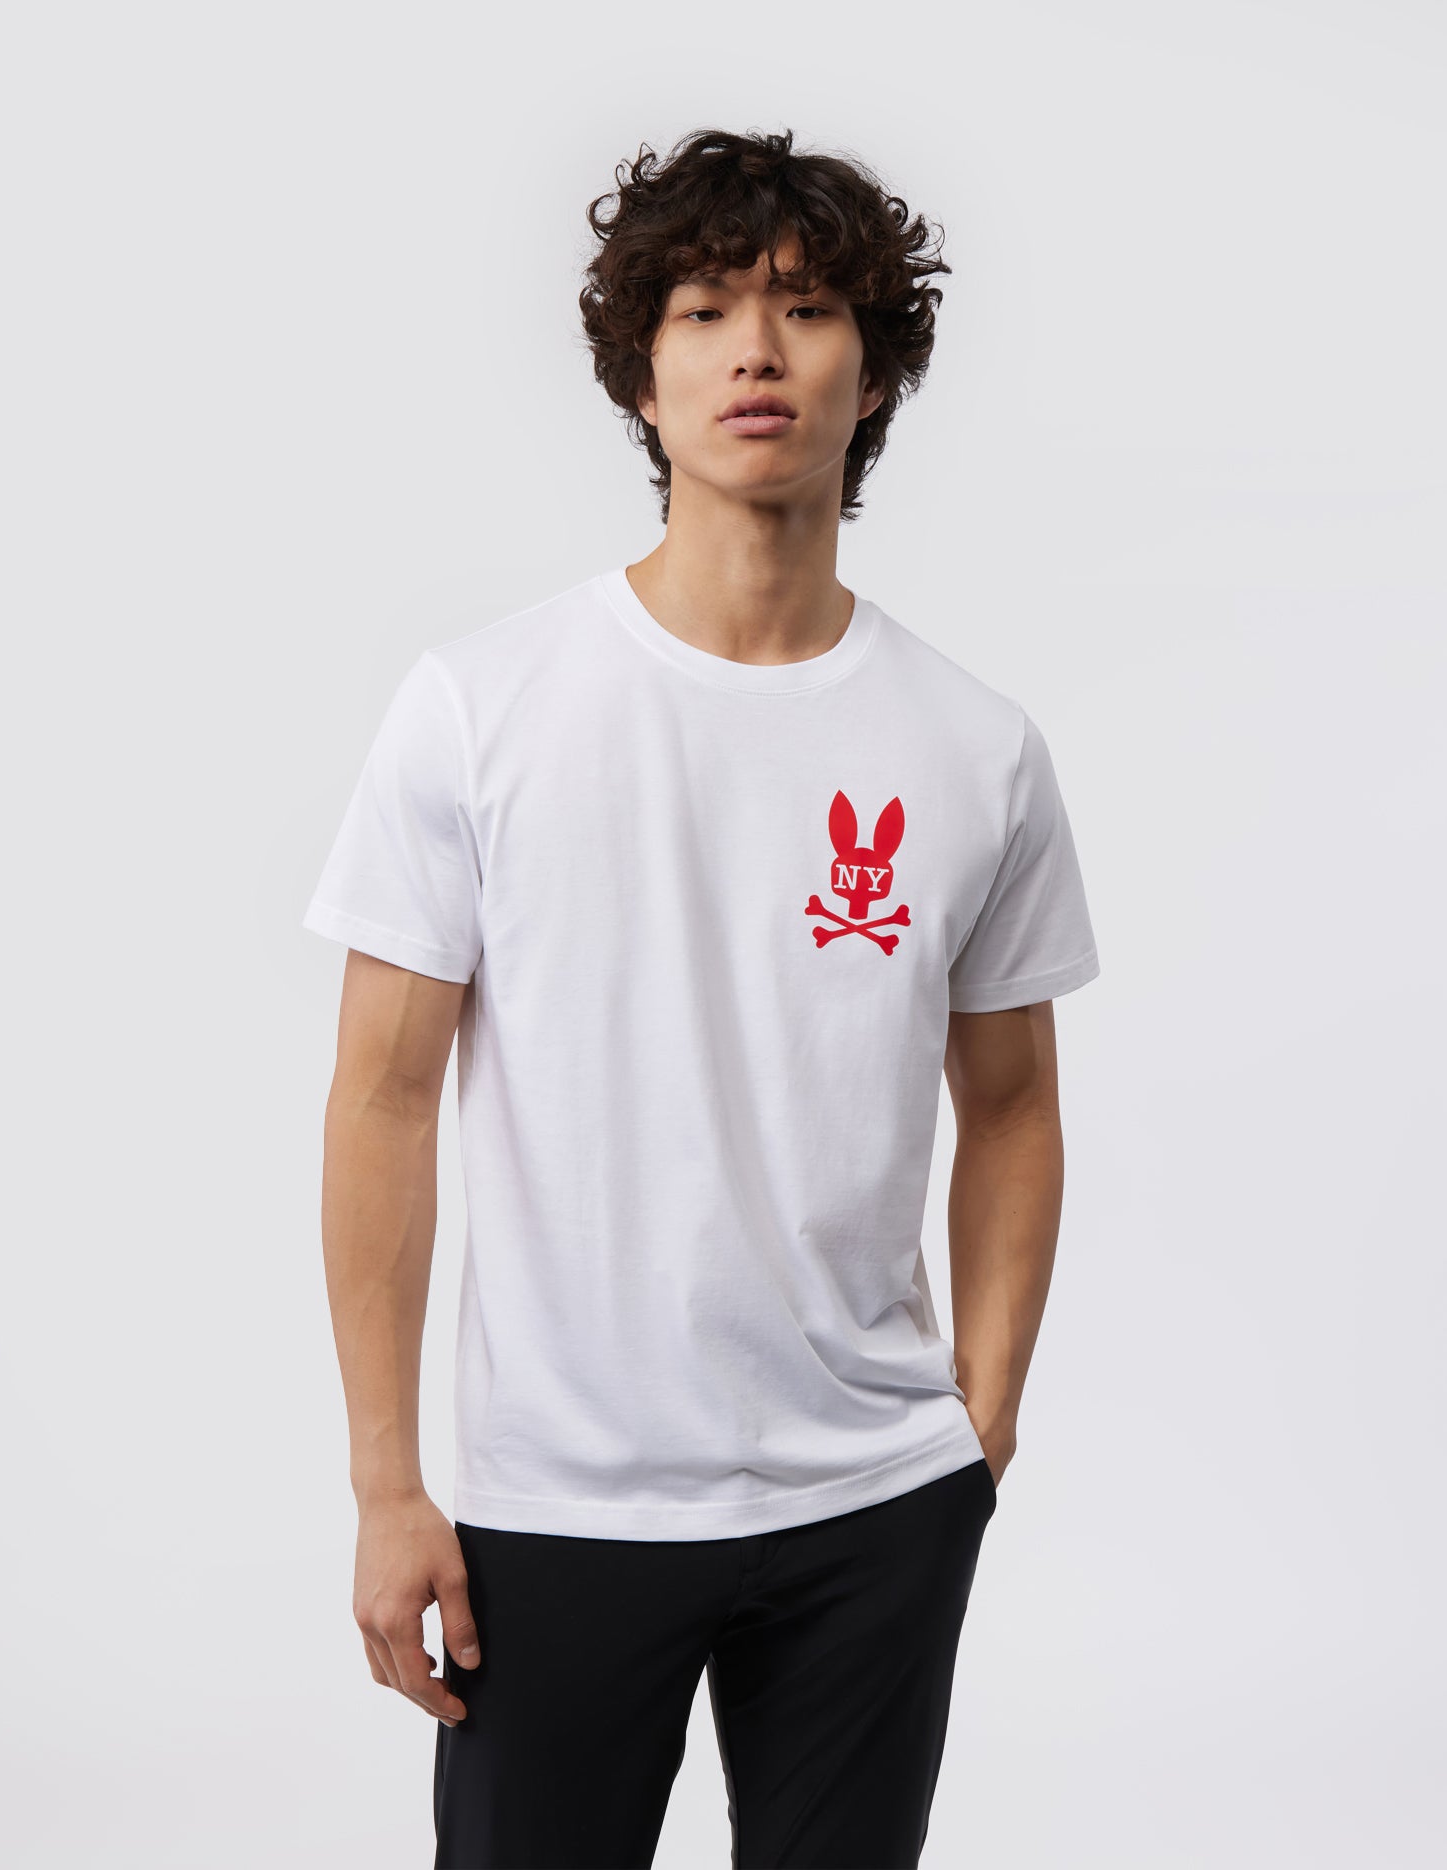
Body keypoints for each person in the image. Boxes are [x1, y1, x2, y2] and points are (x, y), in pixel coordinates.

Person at [303, 126, 1100, 1870]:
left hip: (873, 1503)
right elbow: (380, 1100)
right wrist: (385, 1480)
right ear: (640, 374)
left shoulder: (975, 747)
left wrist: (978, 1423)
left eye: (806, 309)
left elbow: (1016, 1106)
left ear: (871, 374)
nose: (757, 350)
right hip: (557, 1502)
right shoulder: (481, 708)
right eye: (706, 309)